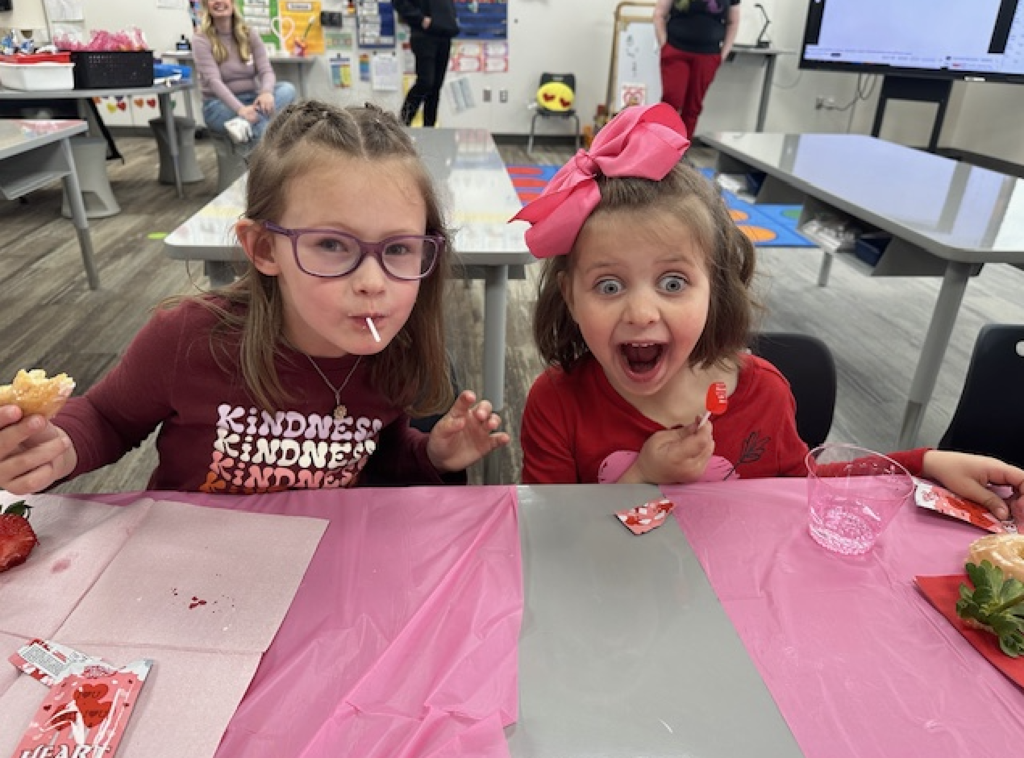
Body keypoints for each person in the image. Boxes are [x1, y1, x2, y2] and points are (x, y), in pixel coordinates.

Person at [514, 102, 1024, 523]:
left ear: (715, 287)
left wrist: (927, 465)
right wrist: (642, 474)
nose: (642, 311)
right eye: (608, 285)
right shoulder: (557, 405)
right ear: (571, 296)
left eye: (673, 282)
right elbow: (552, 536)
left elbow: (801, 489)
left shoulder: (763, 394)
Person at [0, 101, 510, 496]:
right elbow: (108, 417)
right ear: (264, 248)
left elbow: (383, 455)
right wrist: (62, 446)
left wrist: (433, 455)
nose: (373, 282)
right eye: (332, 245)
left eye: (399, 248)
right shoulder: (188, 337)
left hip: (318, 566)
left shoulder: (398, 351)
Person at [192, 0, 296, 146]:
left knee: (287, 89)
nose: (219, 2)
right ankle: (266, 165)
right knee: (261, 123)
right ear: (206, 5)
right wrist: (240, 109)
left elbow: (266, 71)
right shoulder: (201, 39)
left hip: (252, 98)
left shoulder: (248, 33)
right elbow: (213, 81)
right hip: (218, 105)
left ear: (232, 3)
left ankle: (242, 124)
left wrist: (266, 92)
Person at [654, 0, 740, 139]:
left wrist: (723, 54)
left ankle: (682, 147)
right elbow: (659, 13)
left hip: (708, 55)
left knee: (693, 106)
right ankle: (661, 144)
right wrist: (664, 45)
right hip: (676, 49)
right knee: (672, 100)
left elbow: (733, 22)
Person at [394, 0, 459, 128]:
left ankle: (430, 128)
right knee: (425, 82)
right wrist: (420, 19)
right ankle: (402, 124)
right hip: (424, 36)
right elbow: (399, 3)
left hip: (444, 34)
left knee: (435, 87)